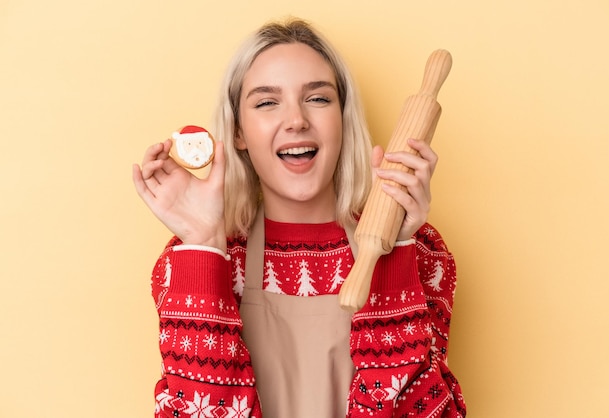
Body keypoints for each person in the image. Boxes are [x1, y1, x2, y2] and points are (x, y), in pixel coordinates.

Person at [132, 17, 466, 418]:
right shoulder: (200, 259)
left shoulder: (422, 252)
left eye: (318, 98)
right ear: (239, 132)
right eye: (267, 102)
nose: (296, 120)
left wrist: (394, 252)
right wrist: (203, 243)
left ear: (342, 119)